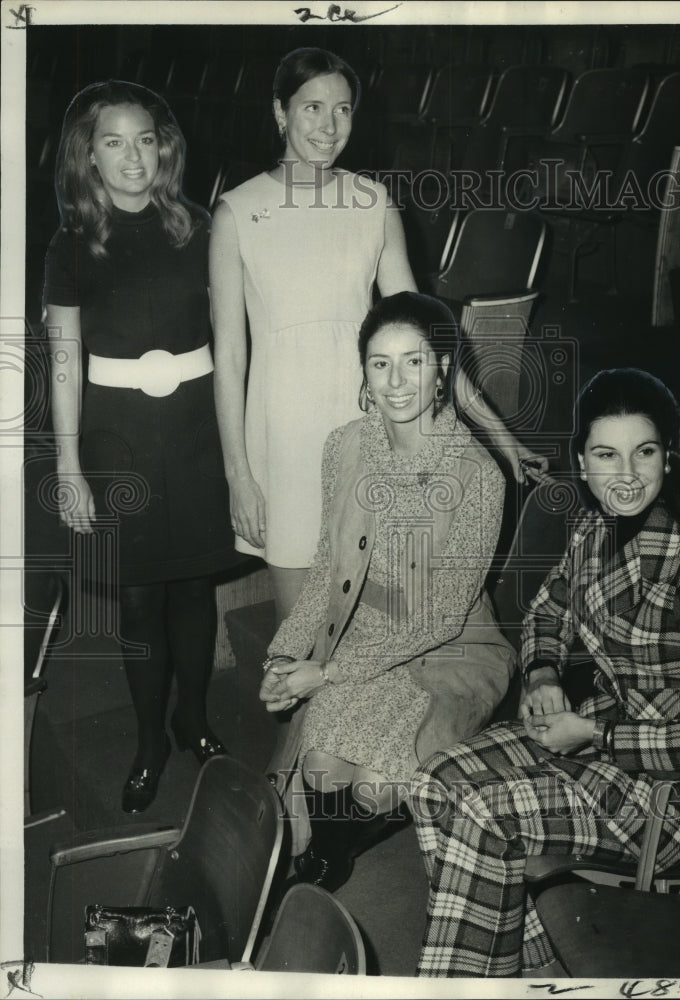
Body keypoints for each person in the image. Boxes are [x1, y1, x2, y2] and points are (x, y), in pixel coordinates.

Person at [411, 367, 680, 977]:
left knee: (483, 810)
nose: (626, 474)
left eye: (644, 452)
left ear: (668, 458)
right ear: (582, 463)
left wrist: (594, 734)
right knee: (435, 781)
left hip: (676, 795)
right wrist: (542, 672)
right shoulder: (593, 530)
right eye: (606, 455)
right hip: (599, 742)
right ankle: (531, 971)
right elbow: (548, 612)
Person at [210, 46, 546, 626]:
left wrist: (503, 437)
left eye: (343, 110)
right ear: (280, 112)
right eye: (312, 107)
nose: (329, 126)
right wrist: (238, 474)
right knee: (299, 633)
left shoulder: (373, 203)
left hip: (366, 423)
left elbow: (423, 342)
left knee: (378, 617)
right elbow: (230, 359)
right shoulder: (237, 212)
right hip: (282, 436)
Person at [258, 291, 516, 891]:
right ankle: (329, 859)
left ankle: (339, 847)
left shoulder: (479, 475)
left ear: (442, 368)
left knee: (375, 787)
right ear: (364, 372)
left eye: (413, 361)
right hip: (360, 632)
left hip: (448, 649)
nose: (396, 382)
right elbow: (326, 569)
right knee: (321, 766)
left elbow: (440, 618)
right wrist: (285, 653)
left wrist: (326, 674)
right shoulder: (345, 446)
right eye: (380, 363)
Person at [44, 81, 240, 814]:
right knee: (137, 596)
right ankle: (149, 740)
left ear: (165, 149)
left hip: (195, 430)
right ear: (89, 156)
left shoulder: (200, 228)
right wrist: (69, 465)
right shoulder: (70, 244)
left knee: (193, 586)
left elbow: (234, 336)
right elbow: (65, 360)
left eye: (146, 139)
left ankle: (194, 719)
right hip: (116, 438)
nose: (133, 157)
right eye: (114, 142)